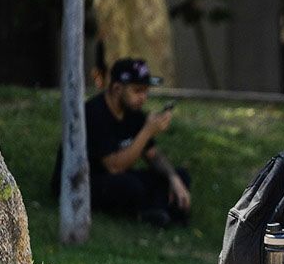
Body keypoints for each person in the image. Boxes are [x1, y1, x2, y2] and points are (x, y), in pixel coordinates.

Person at [52, 57, 191, 228]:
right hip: (83, 182)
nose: (143, 98)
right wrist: (147, 131)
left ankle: (159, 212)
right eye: (137, 91)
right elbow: (114, 167)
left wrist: (174, 178)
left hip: (117, 178)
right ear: (117, 88)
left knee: (179, 176)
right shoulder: (94, 114)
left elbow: (153, 155)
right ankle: (154, 211)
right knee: (129, 185)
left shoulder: (133, 113)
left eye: (146, 91)